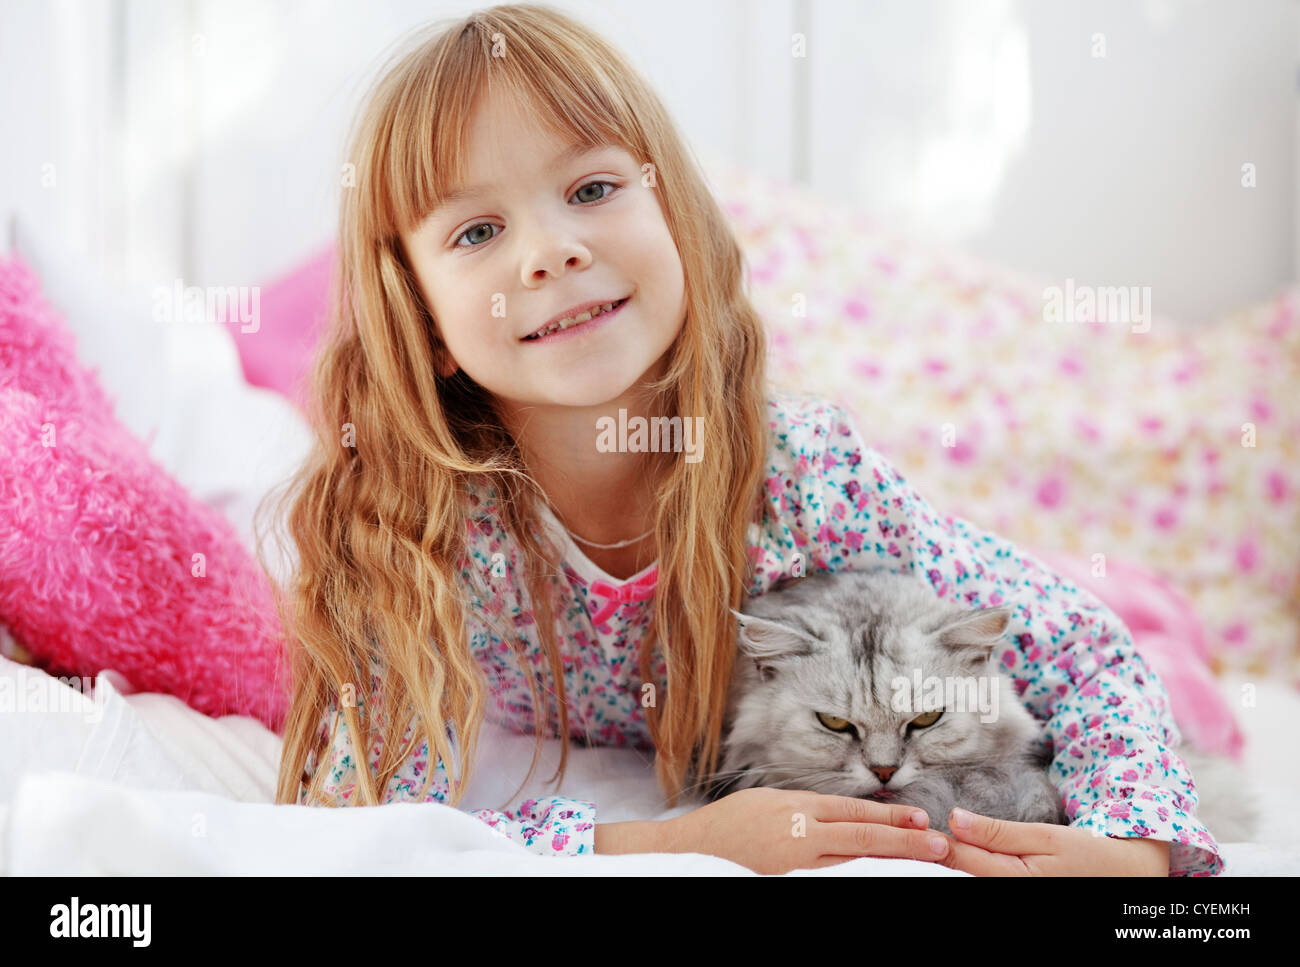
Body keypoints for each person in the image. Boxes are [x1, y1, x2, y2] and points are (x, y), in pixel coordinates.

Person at [268, 3, 1221, 876]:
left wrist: (1137, 851)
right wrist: (672, 842)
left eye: (593, 186)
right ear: (427, 326)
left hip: (900, 606)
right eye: (478, 231)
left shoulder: (804, 475)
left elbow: (1084, 650)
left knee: (1105, 647)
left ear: (676, 219)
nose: (548, 250)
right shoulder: (408, 527)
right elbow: (352, 824)